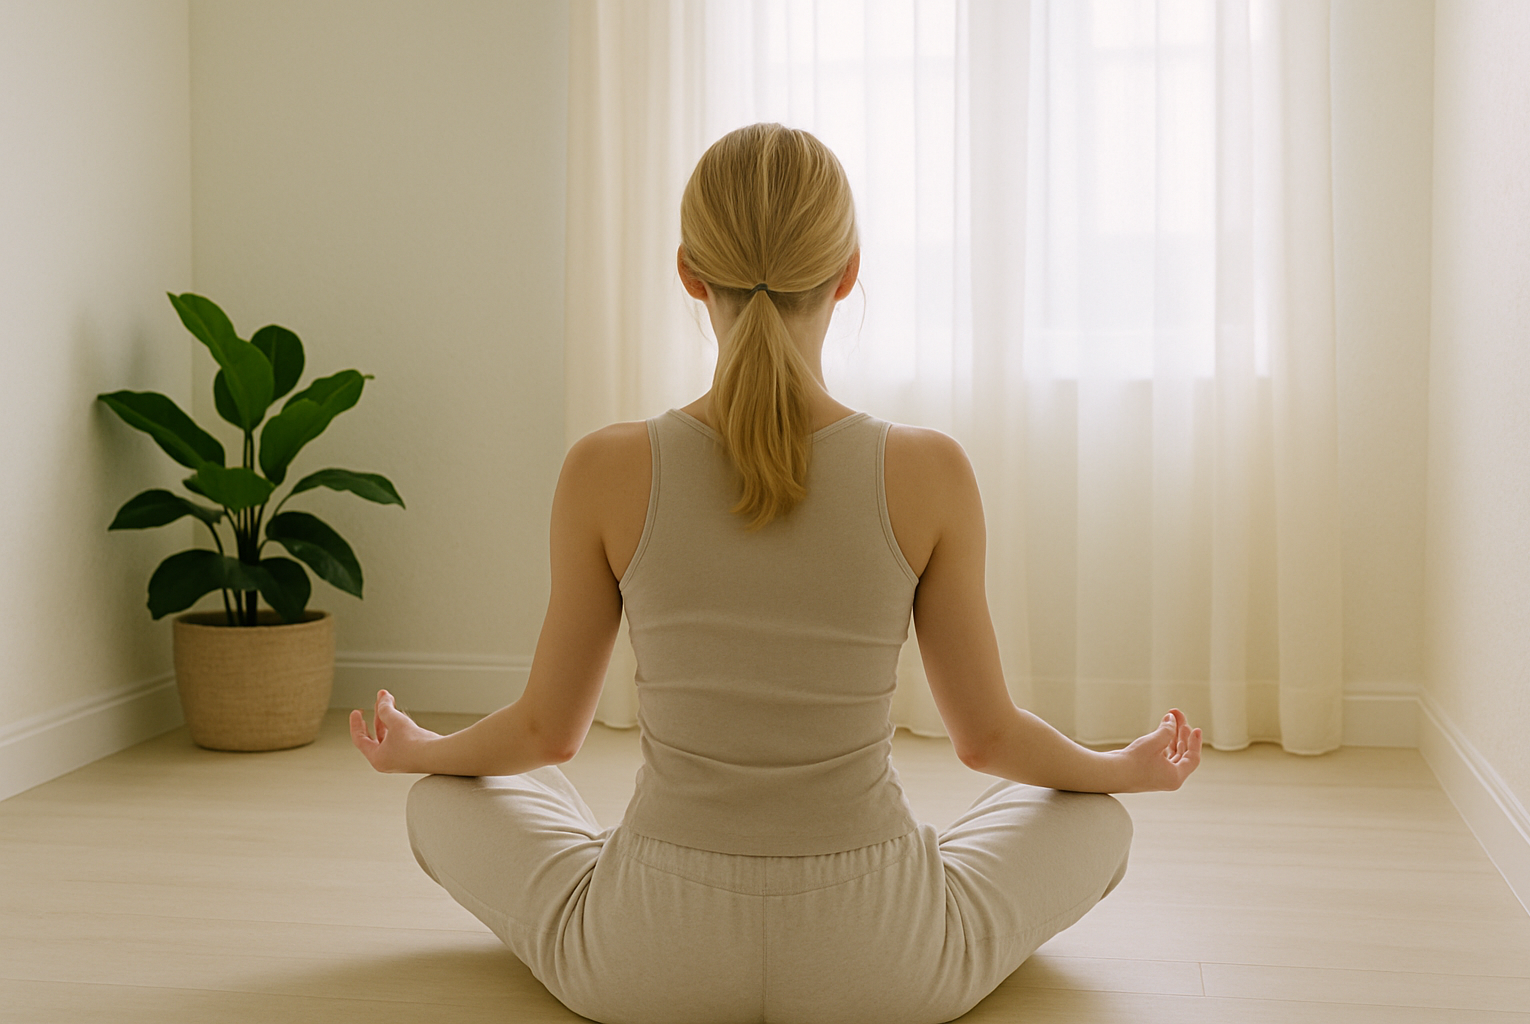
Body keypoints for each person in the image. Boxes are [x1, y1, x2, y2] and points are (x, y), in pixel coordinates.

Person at [350, 122, 1201, 1024]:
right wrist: (1120, 766)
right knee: (1097, 816)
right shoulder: (928, 470)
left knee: (450, 799)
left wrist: (423, 753)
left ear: (688, 272)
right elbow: (987, 741)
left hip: (644, 955)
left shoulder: (604, 467)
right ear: (846, 272)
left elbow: (546, 732)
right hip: (885, 958)